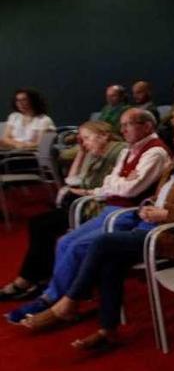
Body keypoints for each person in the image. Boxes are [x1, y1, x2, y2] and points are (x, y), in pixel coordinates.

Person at [18, 110, 174, 342]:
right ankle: (108, 330)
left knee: (103, 241)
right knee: (110, 260)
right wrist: (148, 205)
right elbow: (158, 196)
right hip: (150, 228)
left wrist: (165, 213)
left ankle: (68, 303)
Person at [6, 108, 172, 323]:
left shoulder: (155, 152)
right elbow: (109, 184)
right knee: (65, 241)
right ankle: (59, 294)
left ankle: (53, 300)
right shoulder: (128, 151)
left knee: (77, 247)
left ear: (147, 126)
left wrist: (118, 183)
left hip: (128, 214)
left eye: (128, 125)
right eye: (121, 125)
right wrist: (119, 182)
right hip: (110, 208)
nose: (122, 130)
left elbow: (130, 191)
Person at [0, 121, 124, 301]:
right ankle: (36, 276)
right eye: (81, 139)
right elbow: (72, 179)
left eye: (86, 138)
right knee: (38, 222)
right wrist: (82, 153)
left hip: (95, 205)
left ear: (104, 135)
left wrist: (83, 191)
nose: (84, 143)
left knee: (43, 225)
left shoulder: (118, 152)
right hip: (82, 201)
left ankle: (28, 280)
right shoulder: (94, 152)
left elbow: (111, 188)